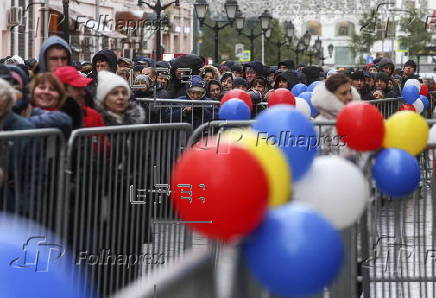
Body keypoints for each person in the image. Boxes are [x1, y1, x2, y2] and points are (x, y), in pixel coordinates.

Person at [311, 73, 361, 153]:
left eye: (350, 92)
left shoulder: (357, 116)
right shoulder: (321, 125)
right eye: (344, 93)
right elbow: (323, 156)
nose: (350, 97)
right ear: (331, 96)